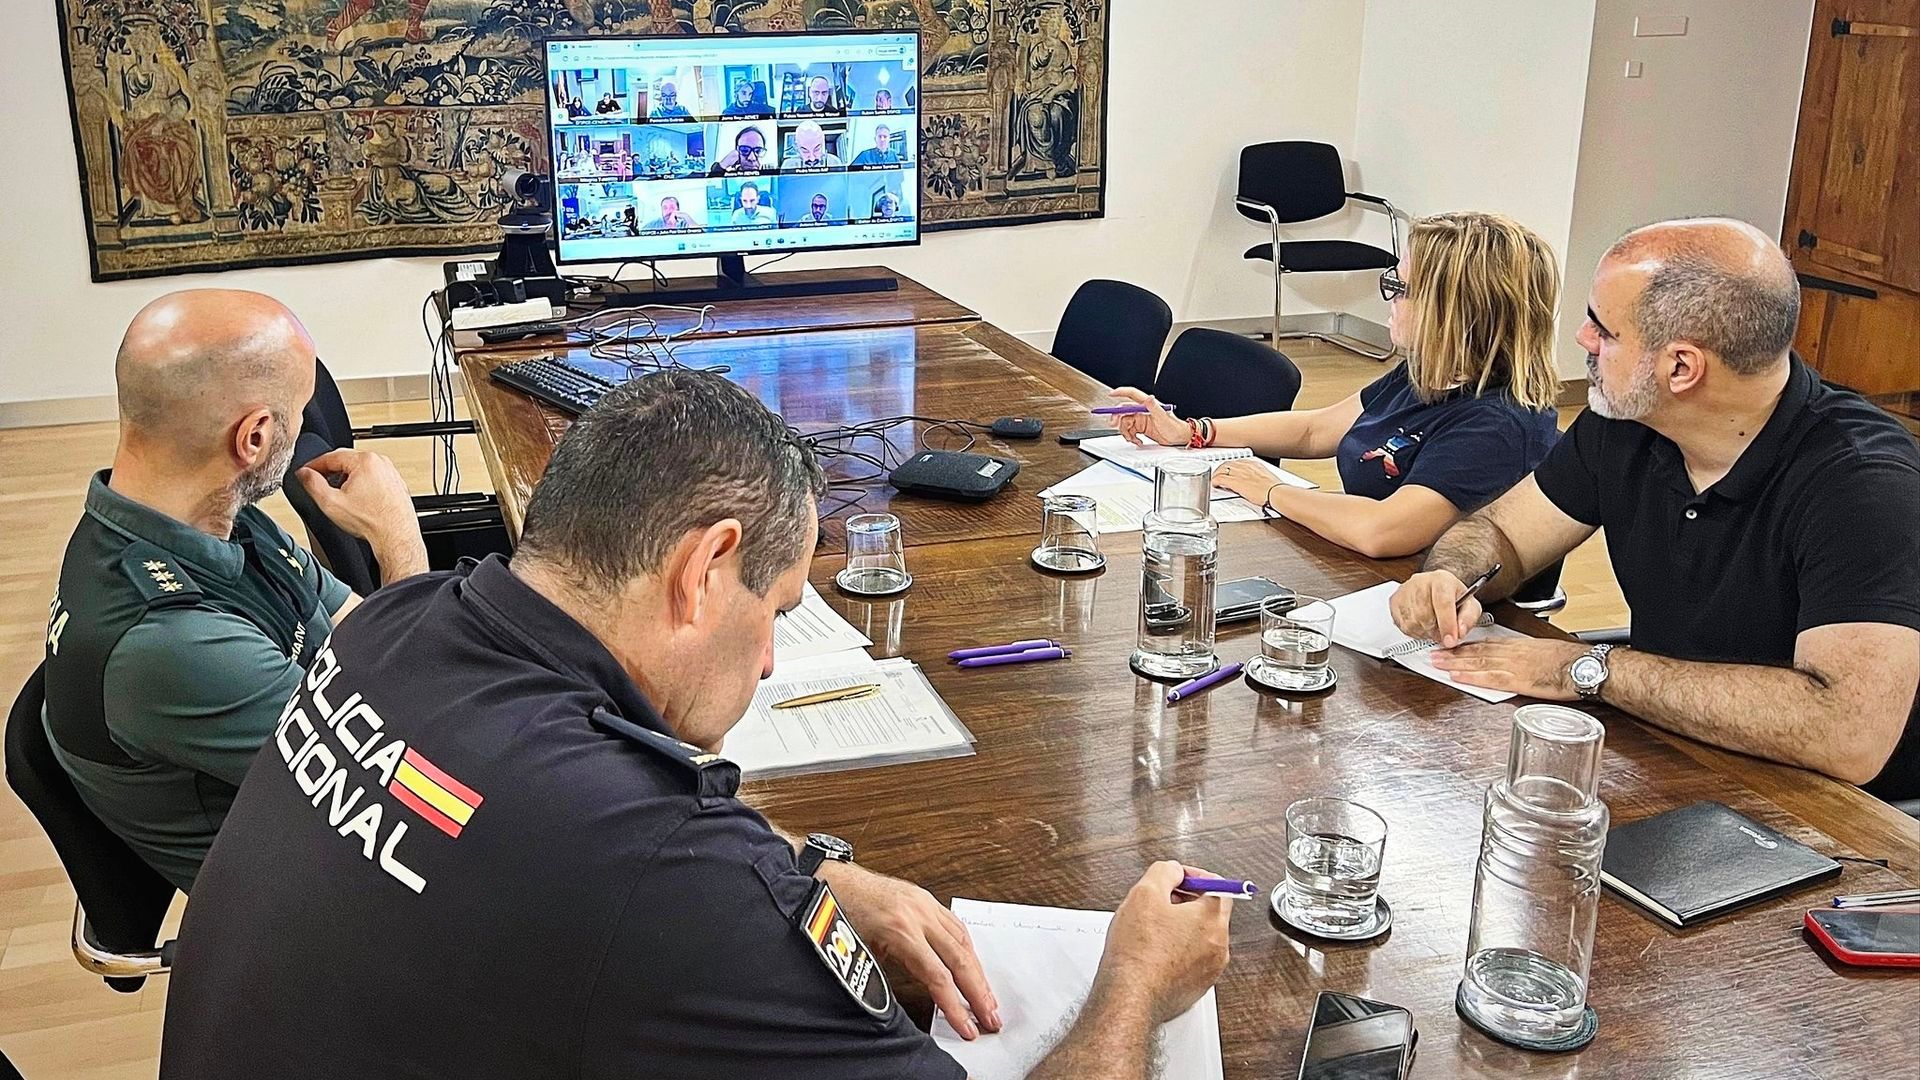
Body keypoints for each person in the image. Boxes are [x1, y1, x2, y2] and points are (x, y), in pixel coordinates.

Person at [158, 371, 1234, 1079]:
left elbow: (514, 839)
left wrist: (817, 880)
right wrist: (1136, 980)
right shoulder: (659, 871)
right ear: (702, 569)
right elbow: (630, 864)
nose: (769, 659)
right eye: (774, 610)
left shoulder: (392, 623)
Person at [1389, 217, 1920, 800]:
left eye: (1604, 329)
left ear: (1681, 368)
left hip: (1831, 812)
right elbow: (1504, 535)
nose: (1583, 341)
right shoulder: (1627, 422)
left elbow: (1848, 733)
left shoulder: (1863, 485)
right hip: (1674, 743)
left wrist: (1585, 669)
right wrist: (1451, 573)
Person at [40, 290, 428, 892]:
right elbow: (409, 765)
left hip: (321, 808)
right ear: (254, 438)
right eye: (302, 411)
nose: (307, 431)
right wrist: (400, 539)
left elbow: (351, 619)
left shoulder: (212, 515)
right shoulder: (172, 644)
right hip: (314, 898)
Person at [1113, 211, 1563, 559]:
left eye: (1402, 288)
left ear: (1458, 311)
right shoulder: (1434, 373)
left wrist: (1272, 490)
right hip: (1365, 572)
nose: (1388, 297)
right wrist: (1192, 431)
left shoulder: (1498, 423)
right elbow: (1317, 429)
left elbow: (1383, 530)